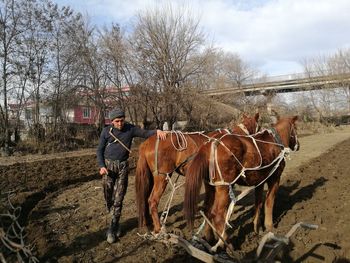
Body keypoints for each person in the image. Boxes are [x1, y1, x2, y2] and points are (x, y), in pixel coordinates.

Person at [96, 108, 167, 244]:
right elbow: (99, 150)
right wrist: (101, 166)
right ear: (112, 122)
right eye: (117, 121)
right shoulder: (106, 132)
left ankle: (113, 224)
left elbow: (145, 133)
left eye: (122, 120)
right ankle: (113, 215)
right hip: (108, 168)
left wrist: (157, 131)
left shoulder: (130, 129)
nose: (120, 123)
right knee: (108, 196)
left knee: (119, 197)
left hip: (123, 167)